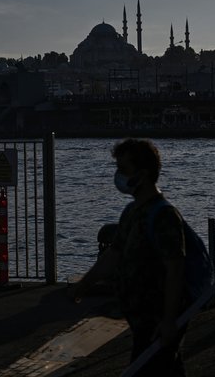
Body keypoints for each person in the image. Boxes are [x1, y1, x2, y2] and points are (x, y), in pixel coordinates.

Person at [71, 138, 187, 376]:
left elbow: (175, 269)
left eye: (124, 169)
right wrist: (85, 284)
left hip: (155, 321)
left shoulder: (164, 215)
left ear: (142, 174)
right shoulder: (131, 212)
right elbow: (113, 255)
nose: (118, 175)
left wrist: (168, 320)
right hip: (140, 320)